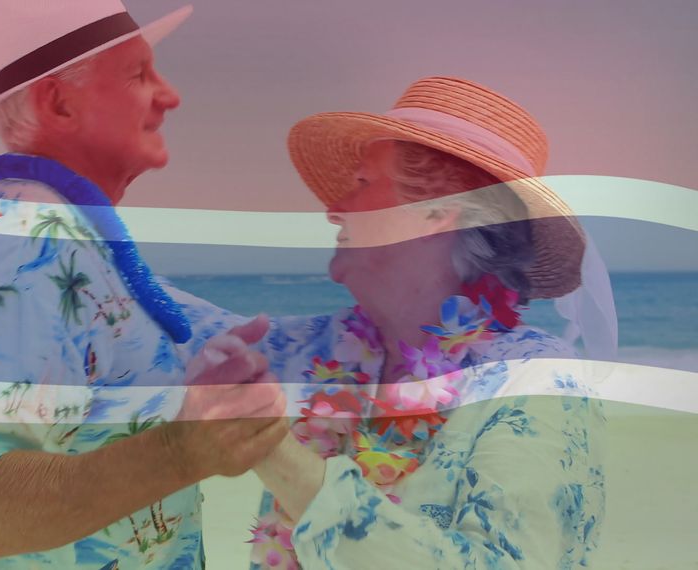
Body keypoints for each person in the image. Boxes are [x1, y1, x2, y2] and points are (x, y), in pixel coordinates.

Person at [0, 1, 287, 568]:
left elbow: (228, 336)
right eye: (139, 74)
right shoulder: (29, 236)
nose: (169, 95)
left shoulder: (72, 240)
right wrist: (181, 451)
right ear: (59, 102)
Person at [182, 77, 610, 568]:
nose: (333, 209)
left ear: (434, 214)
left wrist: (273, 450)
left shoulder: (533, 380)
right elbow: (148, 324)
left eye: (363, 184)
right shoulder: (316, 348)